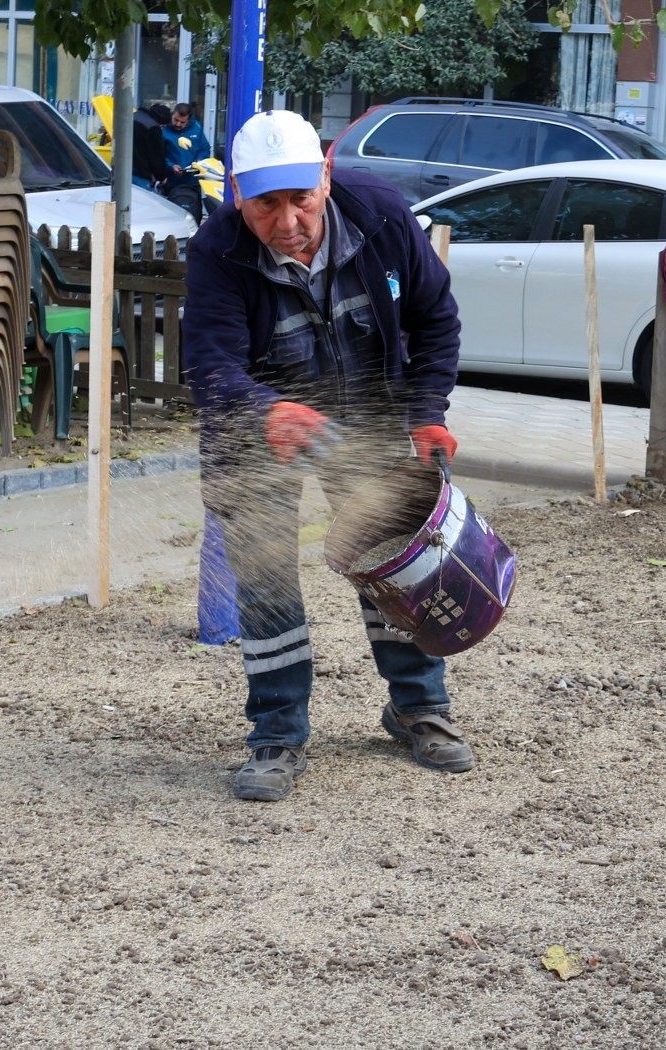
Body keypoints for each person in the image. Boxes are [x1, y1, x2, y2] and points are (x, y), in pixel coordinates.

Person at [183, 109, 470, 802]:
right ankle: (277, 734)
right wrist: (265, 411)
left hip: (367, 413)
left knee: (397, 561)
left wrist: (427, 415)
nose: (287, 222)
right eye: (265, 205)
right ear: (237, 199)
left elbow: (436, 317)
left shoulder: (380, 216)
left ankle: (416, 708)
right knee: (266, 581)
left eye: (300, 199)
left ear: (326, 177)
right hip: (261, 428)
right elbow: (209, 364)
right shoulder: (216, 253)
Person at [160, 102, 213, 223]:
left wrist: (200, 159)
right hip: (172, 182)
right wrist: (171, 166)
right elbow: (159, 156)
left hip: (192, 181)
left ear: (189, 120)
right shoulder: (165, 131)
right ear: (172, 115)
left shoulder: (196, 128)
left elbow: (205, 148)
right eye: (176, 120)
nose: (178, 124)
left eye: (182, 122)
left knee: (193, 212)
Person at [131, 104, 169, 190]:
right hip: (139, 175)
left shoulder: (132, 116)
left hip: (119, 172)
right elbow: (156, 157)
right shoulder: (153, 127)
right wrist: (161, 177)